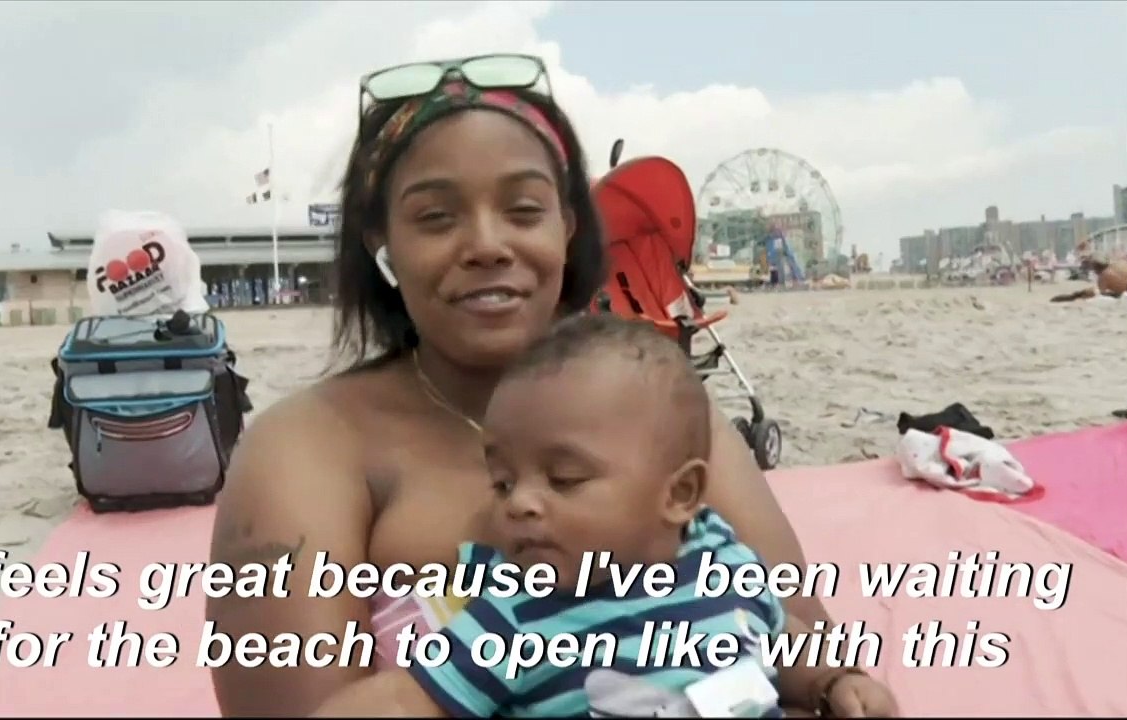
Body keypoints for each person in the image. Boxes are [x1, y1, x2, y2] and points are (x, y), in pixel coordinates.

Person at [208, 53, 852, 717]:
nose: (486, 244)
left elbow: (796, 653)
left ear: (568, 229)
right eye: (435, 218)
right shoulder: (304, 450)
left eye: (522, 209)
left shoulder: (662, 412)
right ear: (383, 241)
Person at [309, 314, 897, 718]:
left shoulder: (723, 561)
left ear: (680, 494)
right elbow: (406, 701)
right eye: (502, 481)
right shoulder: (514, 614)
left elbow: (777, 639)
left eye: (564, 479)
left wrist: (836, 683)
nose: (519, 502)